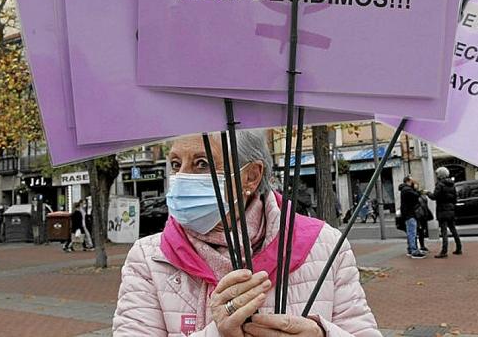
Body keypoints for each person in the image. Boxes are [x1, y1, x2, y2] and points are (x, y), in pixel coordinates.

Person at [114, 131, 381, 336]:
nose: (181, 178)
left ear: (251, 176)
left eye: (202, 163)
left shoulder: (325, 245)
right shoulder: (149, 258)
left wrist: (322, 334)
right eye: (175, 164)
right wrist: (217, 332)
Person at [426, 167, 462, 258]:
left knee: (444, 231)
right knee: (453, 229)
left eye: (437, 174)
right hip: (451, 209)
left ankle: (444, 251)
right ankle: (459, 248)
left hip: (442, 210)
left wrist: (427, 193)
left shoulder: (440, 184)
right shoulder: (452, 185)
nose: (436, 176)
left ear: (440, 175)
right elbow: (455, 198)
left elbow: (434, 196)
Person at [399, 176, 425, 259]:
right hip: (410, 214)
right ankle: (413, 250)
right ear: (408, 181)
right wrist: (416, 188)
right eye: (412, 180)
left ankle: (411, 249)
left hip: (408, 213)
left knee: (411, 232)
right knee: (412, 232)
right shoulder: (407, 190)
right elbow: (416, 196)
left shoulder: (405, 189)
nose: (413, 181)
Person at [415, 186, 433, 253]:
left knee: (421, 231)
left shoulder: (422, 196)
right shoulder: (415, 196)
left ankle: (422, 246)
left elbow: (425, 205)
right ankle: (417, 247)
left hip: (423, 216)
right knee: (419, 231)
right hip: (419, 216)